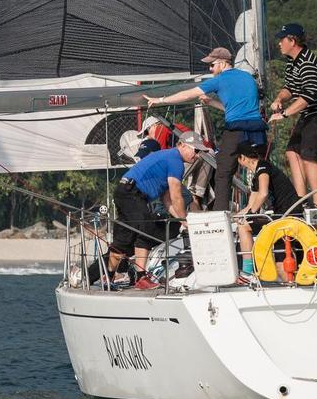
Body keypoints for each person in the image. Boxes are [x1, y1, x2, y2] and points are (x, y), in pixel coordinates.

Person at [144, 47, 265, 211]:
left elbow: (188, 94)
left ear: (222, 63)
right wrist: (212, 102)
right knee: (261, 169)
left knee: (223, 172)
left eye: (212, 65)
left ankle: (220, 214)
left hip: (236, 129)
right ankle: (268, 207)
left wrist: (160, 100)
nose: (210, 69)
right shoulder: (248, 78)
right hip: (257, 129)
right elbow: (238, 109)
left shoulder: (220, 80)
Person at [89, 131, 210, 289]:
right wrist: (184, 220)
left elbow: (167, 200)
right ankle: (140, 277)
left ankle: (99, 276)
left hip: (126, 192)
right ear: (182, 145)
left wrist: (182, 220)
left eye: (200, 152)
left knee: (122, 242)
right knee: (145, 227)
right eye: (196, 150)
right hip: (131, 194)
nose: (198, 155)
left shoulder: (169, 158)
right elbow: (176, 196)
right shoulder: (176, 161)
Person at [267, 24, 317, 208]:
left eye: (282, 39)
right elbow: (289, 88)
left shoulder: (308, 63)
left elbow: (308, 96)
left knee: (308, 155)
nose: (279, 44)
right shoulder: (293, 62)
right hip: (310, 113)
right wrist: (279, 98)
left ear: (292, 41)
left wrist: (284, 114)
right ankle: (300, 201)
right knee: (292, 151)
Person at [233, 142, 303, 275]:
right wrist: (235, 217)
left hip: (288, 214)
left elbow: (263, 194)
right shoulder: (256, 176)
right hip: (280, 216)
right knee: (280, 265)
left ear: (242, 158)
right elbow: (250, 205)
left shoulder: (263, 167)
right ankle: (291, 286)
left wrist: (249, 215)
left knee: (244, 227)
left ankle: (248, 273)